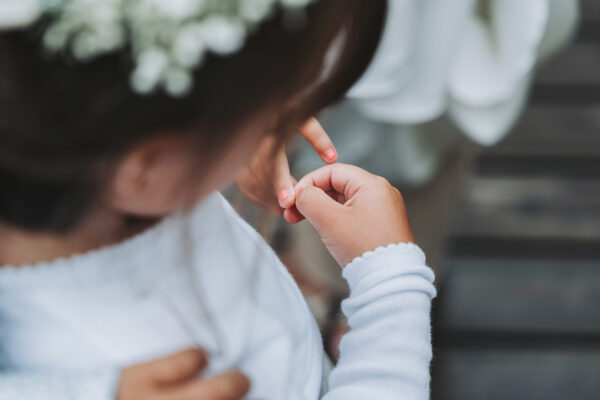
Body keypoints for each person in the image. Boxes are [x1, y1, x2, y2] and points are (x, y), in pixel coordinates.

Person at [0, 0, 436, 399]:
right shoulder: (174, 376)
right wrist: (390, 286)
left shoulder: (82, 162)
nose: (281, 126)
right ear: (151, 162)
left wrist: (217, 136)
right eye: (268, 108)